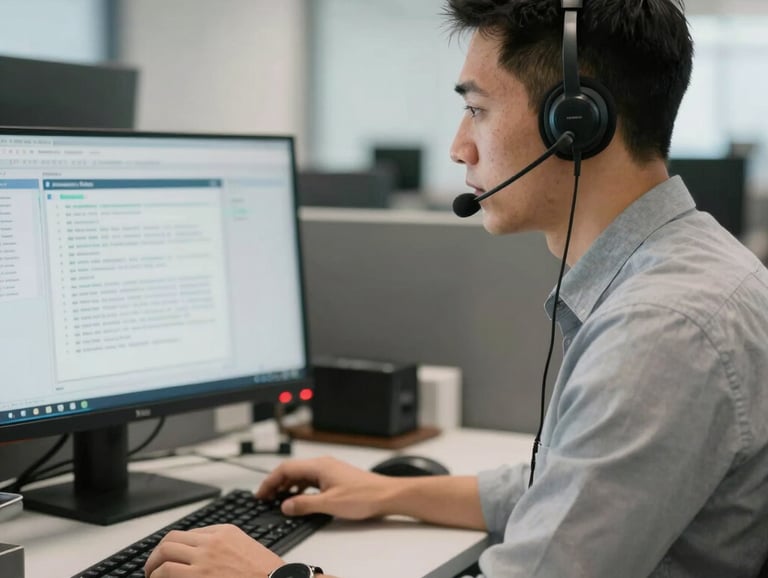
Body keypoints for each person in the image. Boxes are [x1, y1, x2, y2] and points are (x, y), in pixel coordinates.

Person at [144, 1, 768, 577]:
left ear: (574, 122)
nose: (457, 146)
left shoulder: (662, 328)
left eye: (477, 109)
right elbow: (575, 486)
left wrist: (275, 575)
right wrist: (391, 491)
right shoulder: (685, 271)